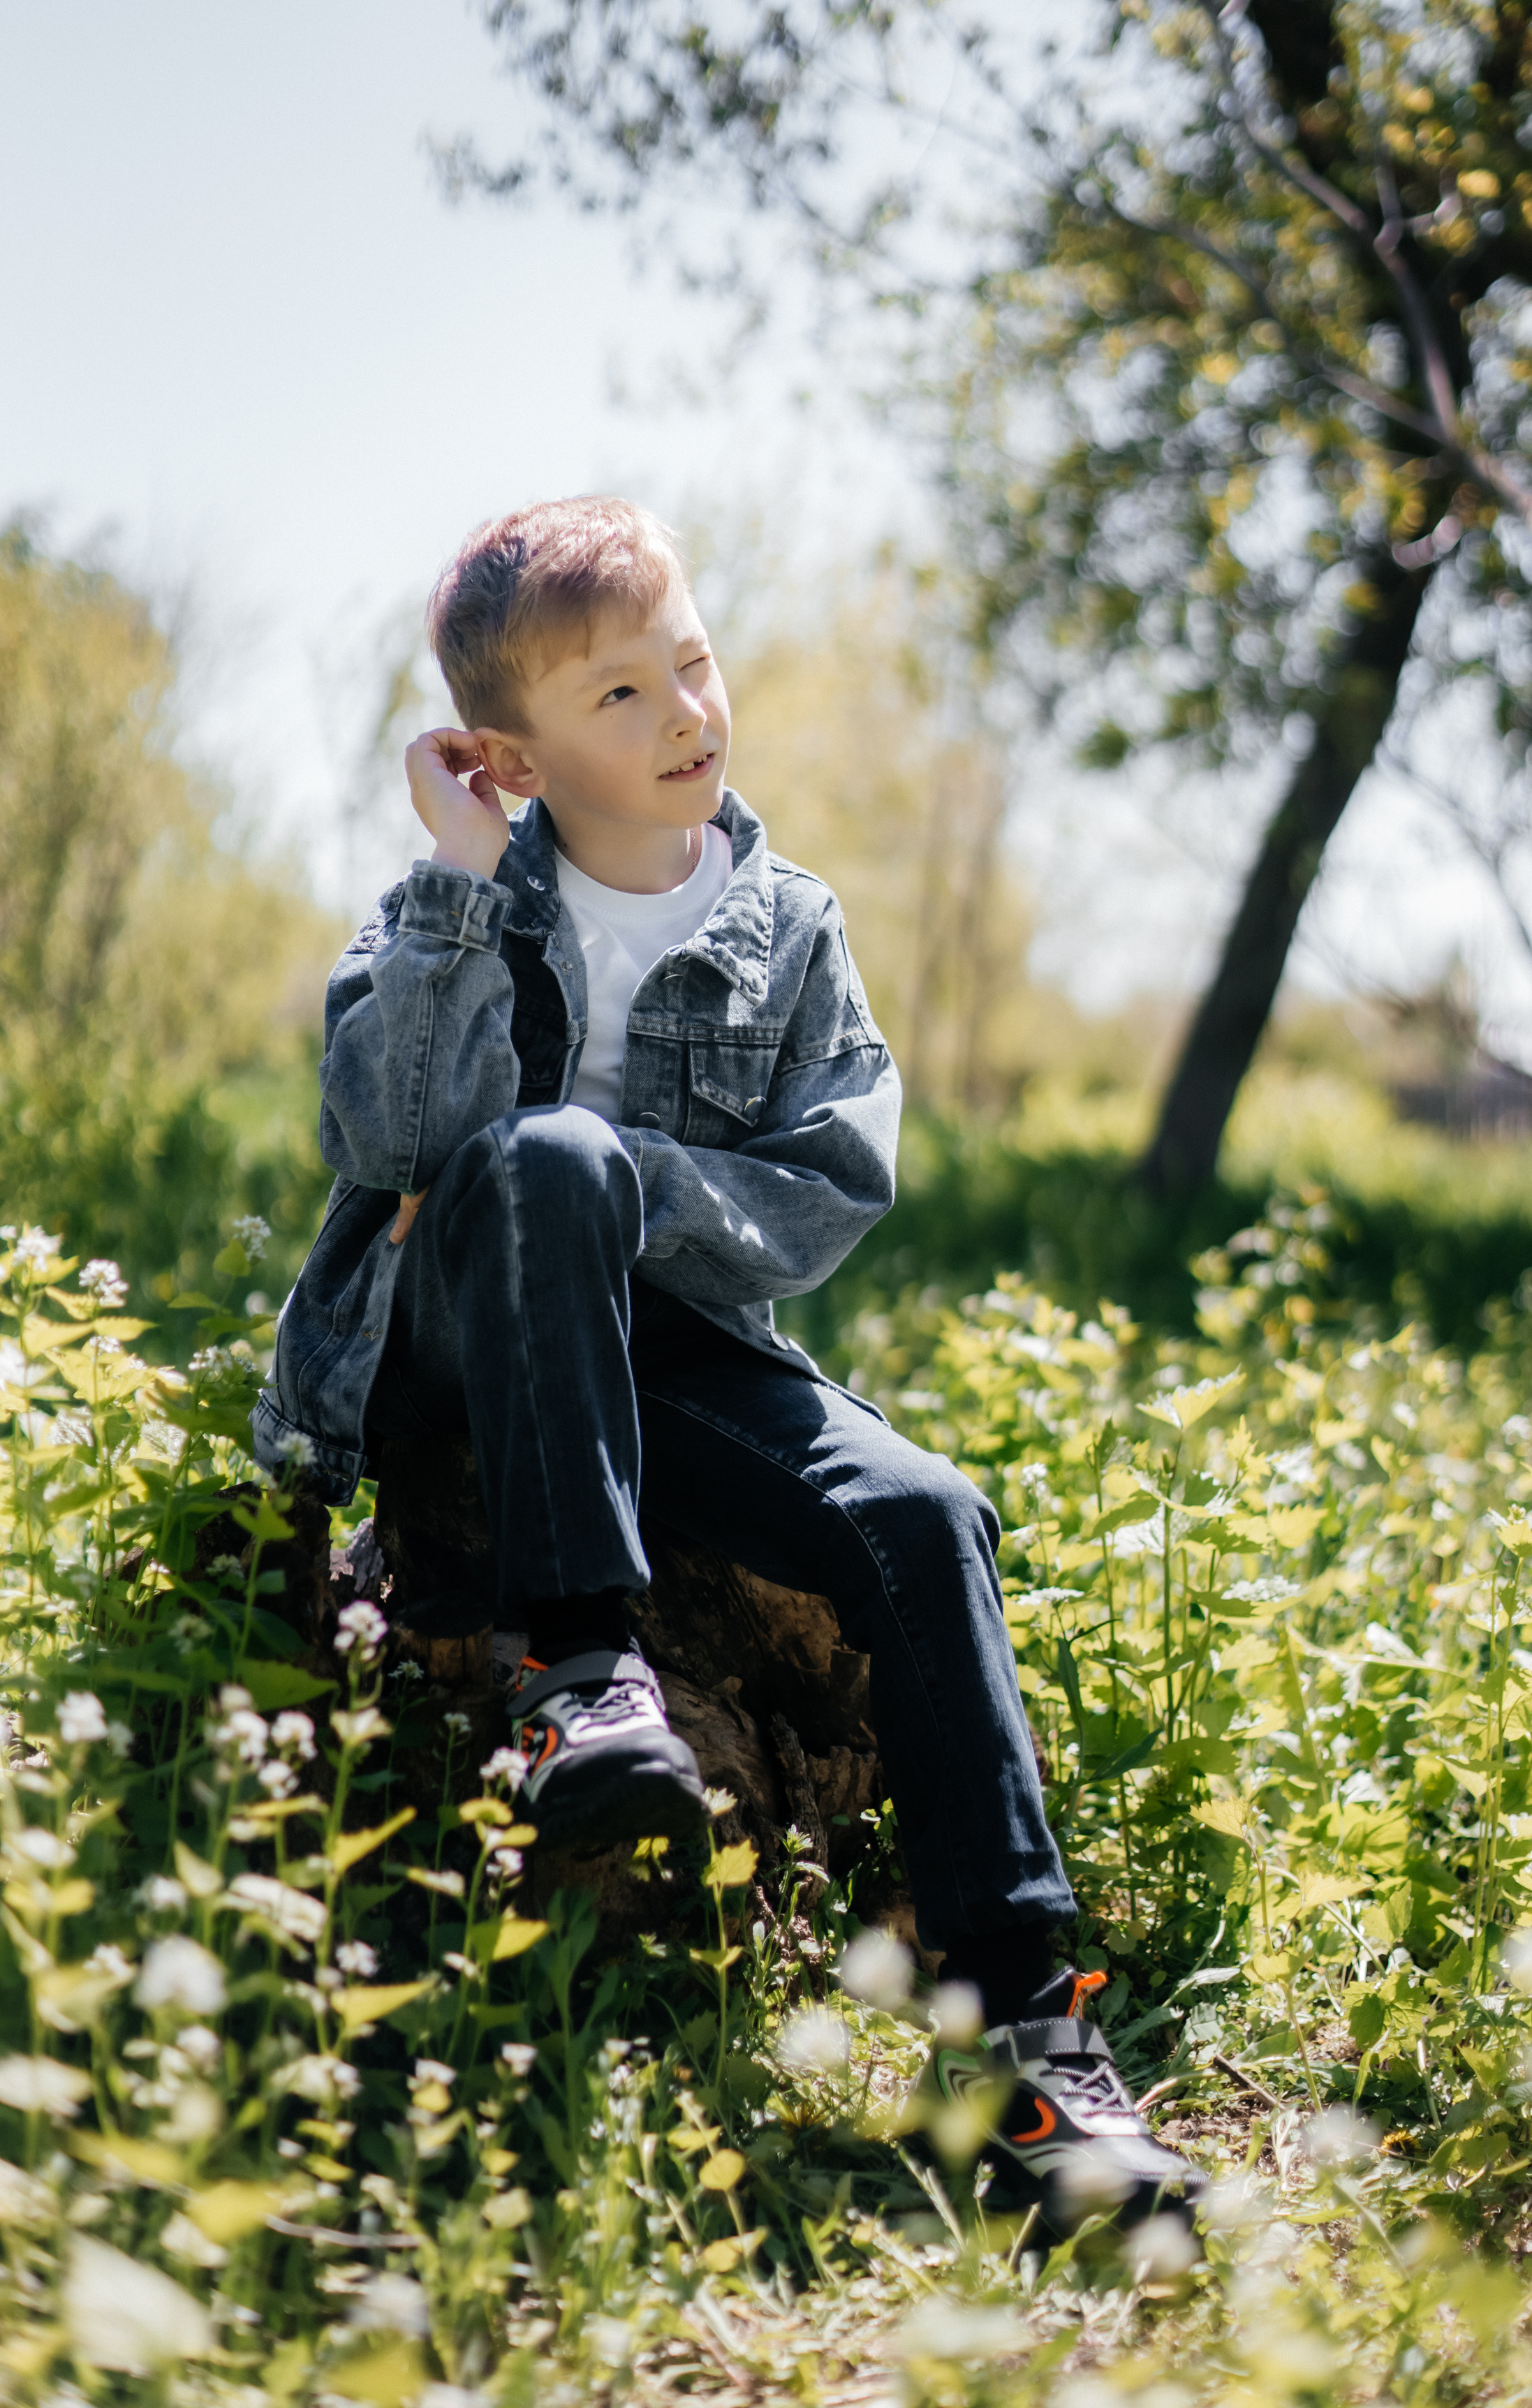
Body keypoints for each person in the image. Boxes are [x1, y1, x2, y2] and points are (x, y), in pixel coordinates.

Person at [254, 496, 1202, 2222]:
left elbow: (833, 1180)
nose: (685, 711)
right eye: (619, 696)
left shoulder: (788, 927)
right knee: (548, 1160)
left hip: (669, 1345)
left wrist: (632, 1197)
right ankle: (576, 1683)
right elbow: (391, 1138)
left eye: (690, 664)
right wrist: (468, 900)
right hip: (459, 1342)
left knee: (922, 1515)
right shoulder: (436, 902)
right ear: (510, 757)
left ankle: (1037, 2067)